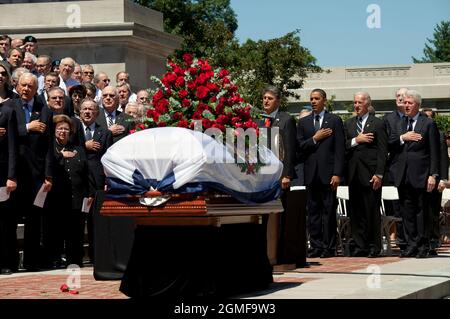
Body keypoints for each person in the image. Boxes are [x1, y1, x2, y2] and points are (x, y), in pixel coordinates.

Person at [7, 72, 54, 271]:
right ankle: (9, 262)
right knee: (9, 219)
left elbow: (49, 145)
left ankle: (32, 261)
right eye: (23, 85)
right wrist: (27, 127)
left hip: (37, 174)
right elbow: (7, 135)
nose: (26, 89)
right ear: (17, 86)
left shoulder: (45, 110)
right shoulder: (9, 107)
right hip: (15, 172)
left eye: (30, 86)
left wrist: (48, 175)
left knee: (35, 220)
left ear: (37, 89)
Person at [390, 90, 439, 258]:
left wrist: (433, 175)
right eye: (405, 102)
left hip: (421, 174)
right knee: (406, 212)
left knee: (421, 212)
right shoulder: (400, 123)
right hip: (402, 175)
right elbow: (391, 144)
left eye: (410, 103)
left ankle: (423, 245)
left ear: (417, 105)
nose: (406, 105)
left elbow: (434, 151)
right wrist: (403, 137)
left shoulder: (428, 123)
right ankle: (411, 244)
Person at [297, 88, 345, 258]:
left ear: (324, 100)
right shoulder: (304, 122)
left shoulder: (334, 120)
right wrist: (315, 138)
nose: (313, 101)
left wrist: (337, 173)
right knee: (314, 212)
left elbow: (340, 149)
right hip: (311, 174)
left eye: (317, 98)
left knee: (329, 211)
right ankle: (316, 246)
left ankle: (329, 247)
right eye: (311, 99)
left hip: (329, 174)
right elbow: (300, 147)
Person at [44, 115, 93, 268]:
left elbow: (86, 173)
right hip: (57, 198)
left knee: (76, 232)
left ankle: (75, 260)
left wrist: (89, 193)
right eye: (60, 128)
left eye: (66, 129)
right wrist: (60, 155)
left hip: (77, 197)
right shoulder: (50, 149)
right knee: (56, 231)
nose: (63, 131)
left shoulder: (78, 149)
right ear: (54, 131)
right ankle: (55, 260)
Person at [344, 92, 388, 257]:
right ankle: (359, 245)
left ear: (368, 104)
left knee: (371, 211)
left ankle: (373, 246)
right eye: (354, 102)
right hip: (353, 174)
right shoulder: (348, 124)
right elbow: (344, 145)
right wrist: (357, 140)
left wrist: (379, 174)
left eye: (360, 102)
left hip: (371, 174)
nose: (356, 105)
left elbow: (383, 151)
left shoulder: (378, 123)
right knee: (355, 213)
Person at [260, 85, 299, 265]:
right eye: (264, 98)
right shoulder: (259, 120)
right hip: (262, 176)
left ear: (278, 101)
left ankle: (279, 254)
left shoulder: (286, 120)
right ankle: (264, 252)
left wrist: (287, 175)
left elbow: (290, 149)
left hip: (279, 175)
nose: (265, 101)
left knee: (279, 215)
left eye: (269, 98)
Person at [383, 87, 408, 251]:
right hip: (393, 168)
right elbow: (385, 142)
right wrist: (401, 138)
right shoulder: (388, 119)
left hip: (412, 170)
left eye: (403, 96)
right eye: (397, 96)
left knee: (408, 206)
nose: (399, 98)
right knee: (393, 206)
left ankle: (408, 240)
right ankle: (396, 238)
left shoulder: (415, 118)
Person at [0, 61, 19, 275]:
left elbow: (14, 145)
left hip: (3, 173)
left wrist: (12, 175)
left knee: (5, 221)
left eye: (2, 73)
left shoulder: (10, 108)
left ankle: (7, 261)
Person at [422, 108, 448, 255]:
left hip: (435, 180)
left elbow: (444, 158)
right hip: (420, 179)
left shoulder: (439, 135)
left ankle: (433, 240)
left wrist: (443, 179)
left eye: (429, 117)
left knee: (433, 212)